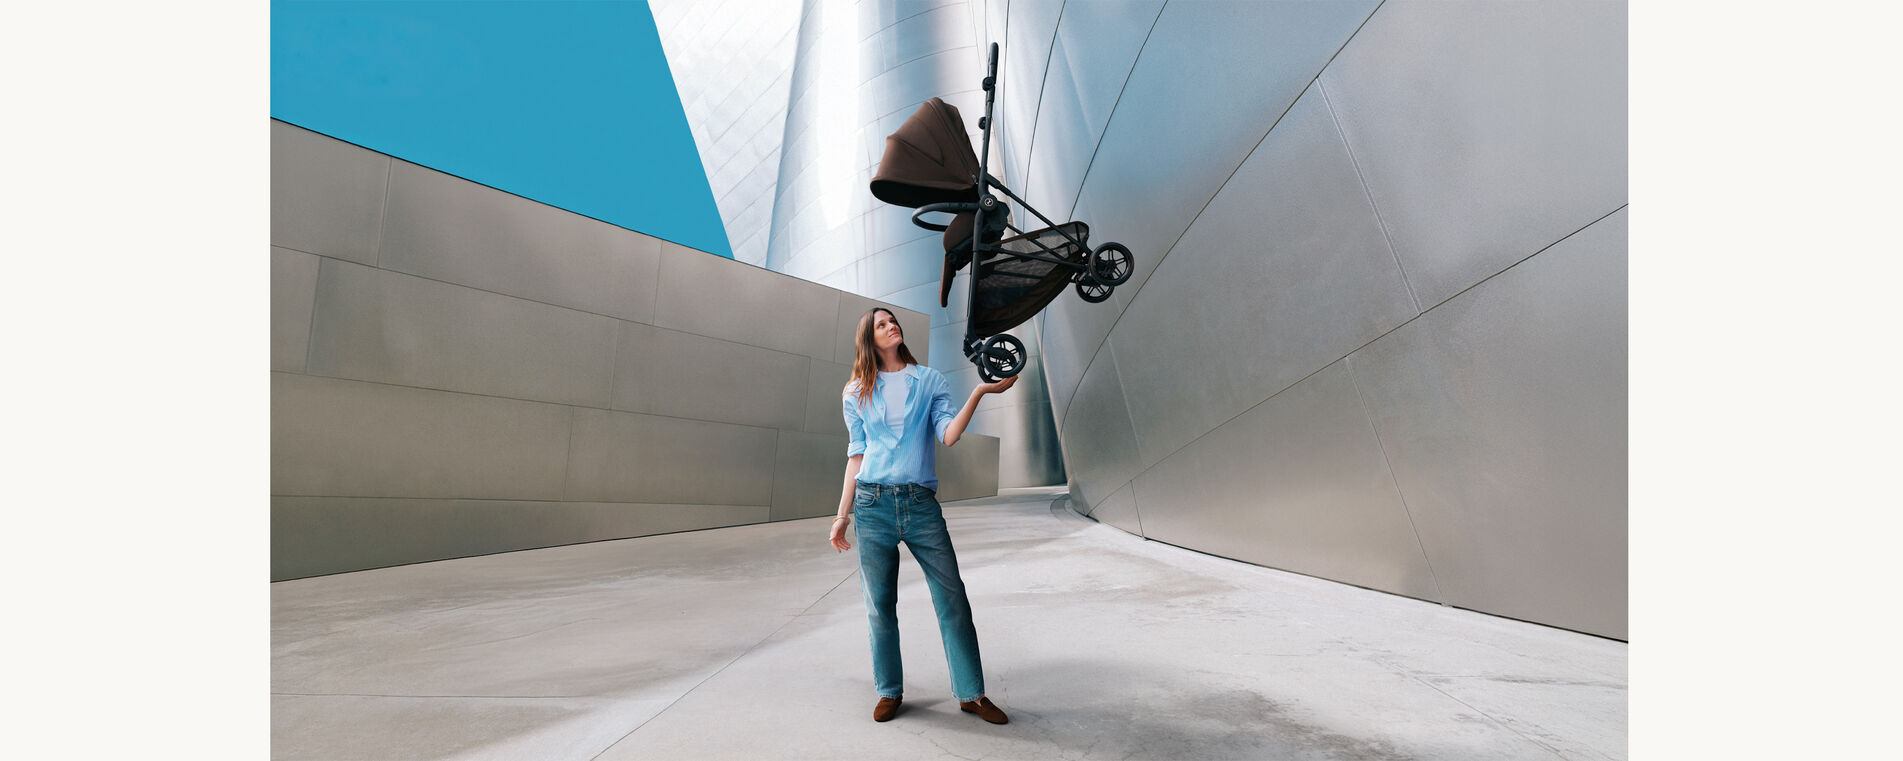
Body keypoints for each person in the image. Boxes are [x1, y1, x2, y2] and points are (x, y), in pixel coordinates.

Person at [828, 307, 1017, 724]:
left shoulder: (930, 380)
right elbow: (856, 456)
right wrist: (842, 515)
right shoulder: (855, 391)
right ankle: (889, 690)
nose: (891, 326)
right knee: (879, 604)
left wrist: (980, 393)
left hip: (919, 505)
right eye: (881, 324)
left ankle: (972, 693)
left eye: (892, 321)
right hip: (872, 506)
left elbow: (948, 437)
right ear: (868, 338)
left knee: (952, 597)